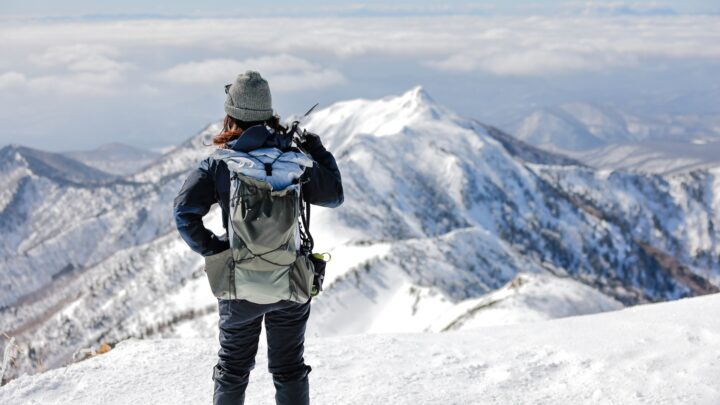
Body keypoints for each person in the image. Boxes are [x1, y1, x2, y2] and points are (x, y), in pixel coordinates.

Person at [173, 70, 343, 405]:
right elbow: (334, 195)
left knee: (232, 369)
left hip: (240, 284)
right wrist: (316, 148)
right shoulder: (296, 160)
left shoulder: (220, 164)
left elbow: (184, 213)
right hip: (290, 280)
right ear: (269, 113)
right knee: (289, 368)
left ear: (231, 114)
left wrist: (218, 250)